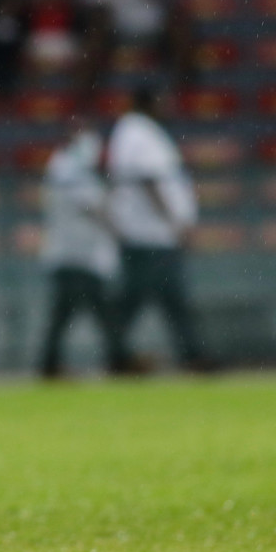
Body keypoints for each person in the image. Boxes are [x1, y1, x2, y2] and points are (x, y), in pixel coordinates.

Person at [107, 87, 208, 372]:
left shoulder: (135, 131)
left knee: (144, 299)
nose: (166, 104)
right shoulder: (138, 131)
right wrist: (174, 221)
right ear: (147, 103)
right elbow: (148, 178)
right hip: (151, 235)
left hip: (149, 234)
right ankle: (192, 356)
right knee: (162, 298)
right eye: (160, 99)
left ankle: (120, 355)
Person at [37, 124, 123, 378]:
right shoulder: (67, 167)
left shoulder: (68, 166)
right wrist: (118, 226)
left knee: (76, 313)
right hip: (72, 255)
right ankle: (119, 358)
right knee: (87, 311)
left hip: (78, 255)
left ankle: (51, 364)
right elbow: (91, 205)